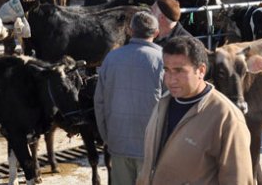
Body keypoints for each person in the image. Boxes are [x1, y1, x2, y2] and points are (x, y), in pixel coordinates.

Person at [136, 36, 253, 185]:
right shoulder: (163, 103)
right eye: (167, 70)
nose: (171, 79)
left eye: (179, 71)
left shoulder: (227, 118)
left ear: (201, 70)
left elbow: (238, 179)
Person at [94, 11, 164, 185]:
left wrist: (107, 136)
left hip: (118, 142)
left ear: (130, 30)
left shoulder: (111, 58)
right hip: (152, 147)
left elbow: (99, 102)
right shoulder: (164, 61)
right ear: (156, 33)